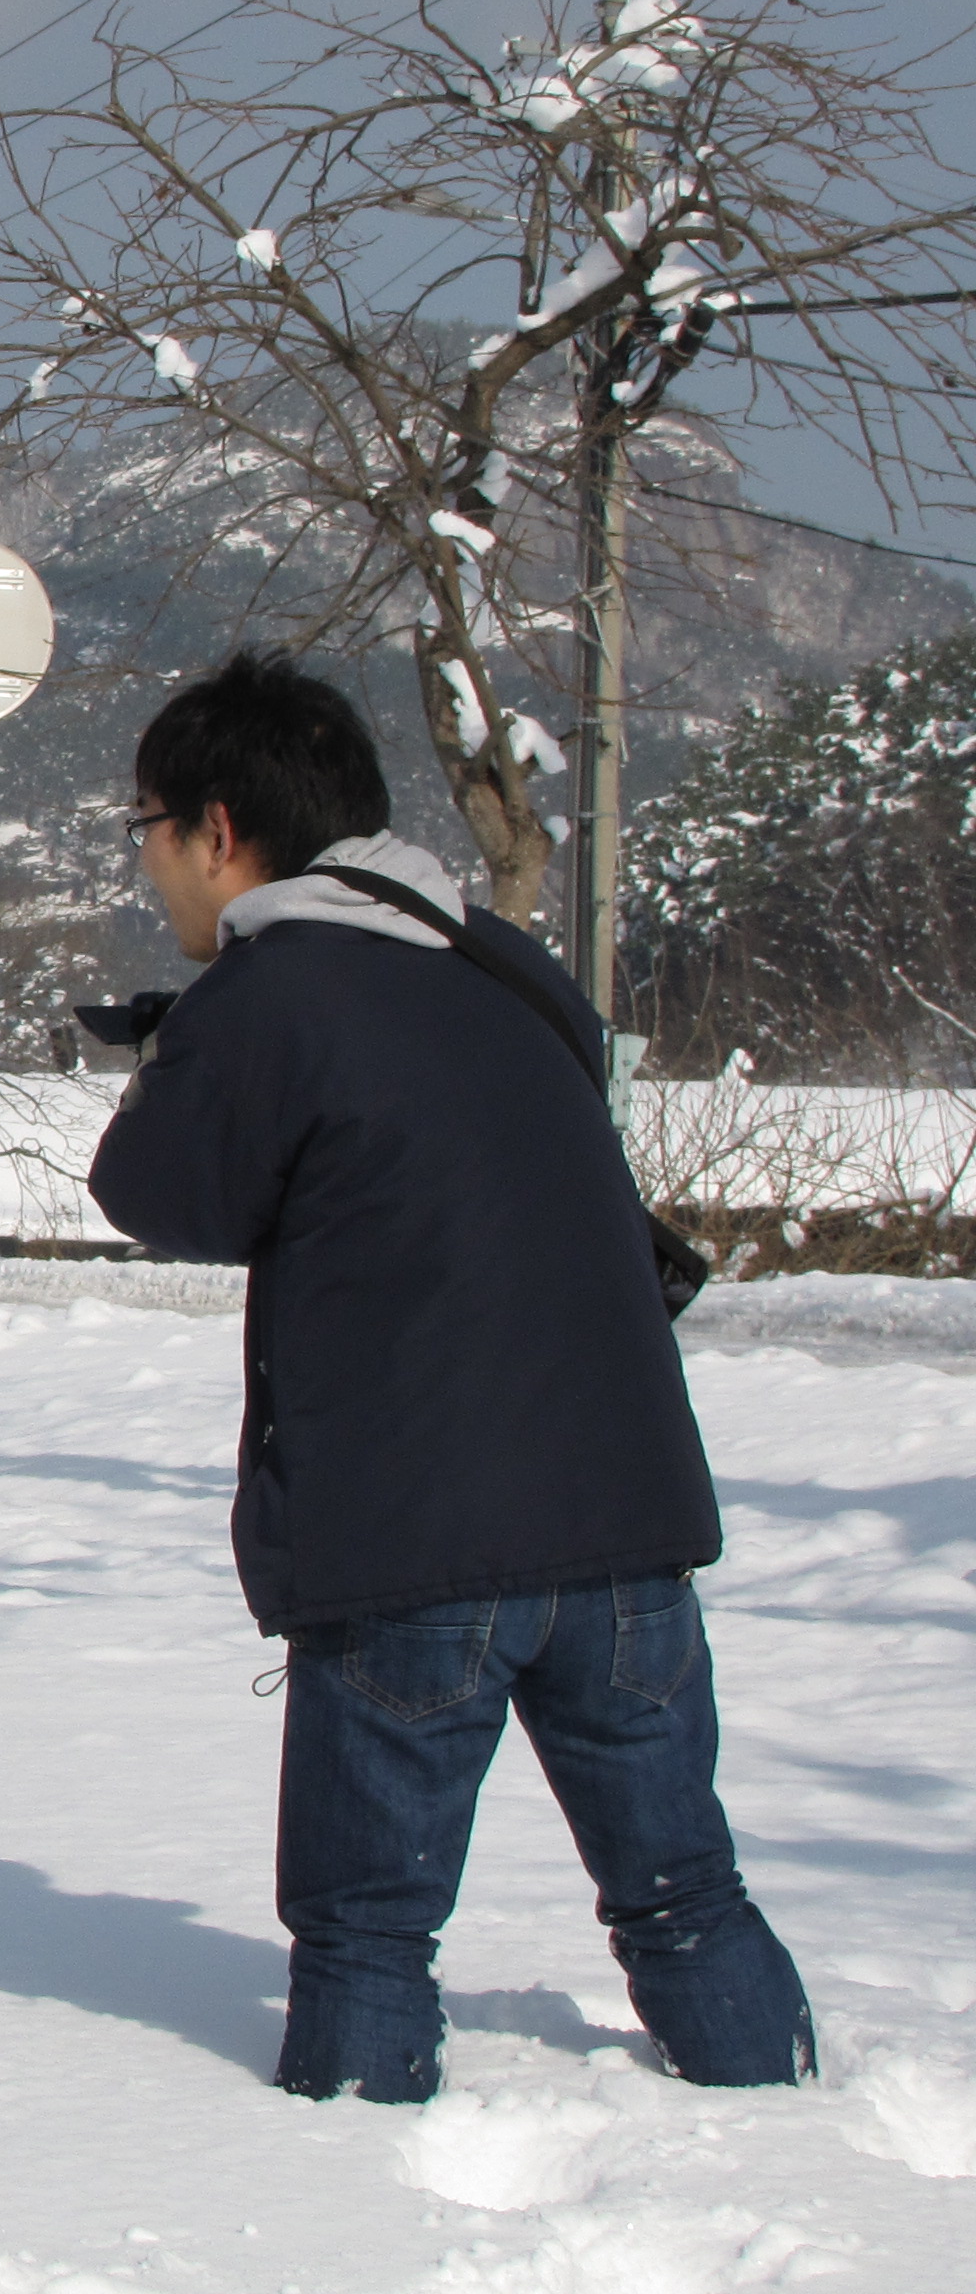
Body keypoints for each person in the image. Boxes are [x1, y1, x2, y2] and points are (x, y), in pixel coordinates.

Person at [88, 650, 809, 2105]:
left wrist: (172, 1053)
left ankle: (360, 2211)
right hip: (629, 1527)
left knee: (366, 1937)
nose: (151, 865)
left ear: (219, 831)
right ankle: (787, 2132)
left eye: (147, 830)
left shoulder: (272, 988)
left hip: (414, 1547)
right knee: (684, 1894)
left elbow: (164, 1198)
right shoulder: (501, 961)